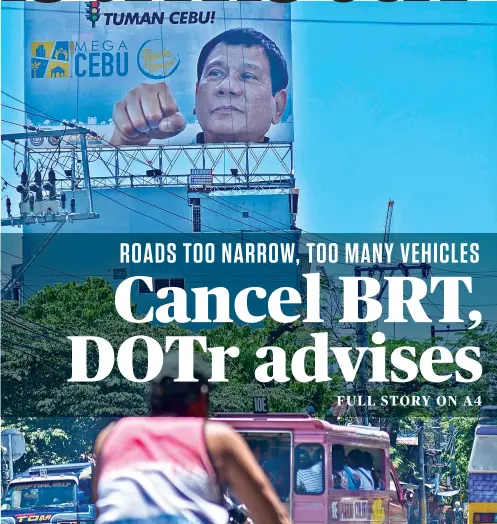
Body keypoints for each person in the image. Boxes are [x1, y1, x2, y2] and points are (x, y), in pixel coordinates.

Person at [92, 350, 289, 524]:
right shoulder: (216, 438)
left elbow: (103, 510)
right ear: (202, 397)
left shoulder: (109, 437)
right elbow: (274, 518)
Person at [110, 28, 289, 146]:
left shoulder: (291, 176)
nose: (226, 86)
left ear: (279, 106)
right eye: (215, 73)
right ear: (196, 94)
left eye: (248, 76)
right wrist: (125, 143)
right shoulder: (164, 173)